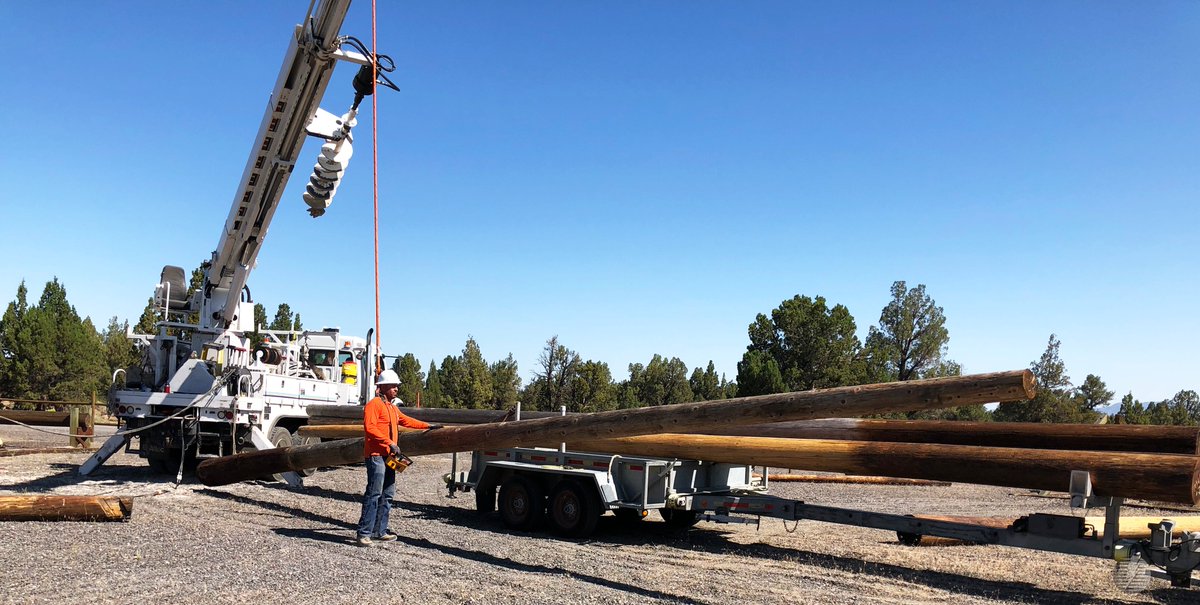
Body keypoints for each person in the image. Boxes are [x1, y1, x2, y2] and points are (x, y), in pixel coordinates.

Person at [356, 370, 443, 546]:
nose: (396, 389)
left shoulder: (392, 408)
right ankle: (364, 534)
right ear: (382, 387)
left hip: (389, 456)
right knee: (374, 493)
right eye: (393, 386)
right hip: (376, 456)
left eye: (397, 386)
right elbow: (369, 428)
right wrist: (389, 442)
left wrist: (428, 426)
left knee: (387, 494)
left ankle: (379, 531)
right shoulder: (374, 405)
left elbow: (407, 421)